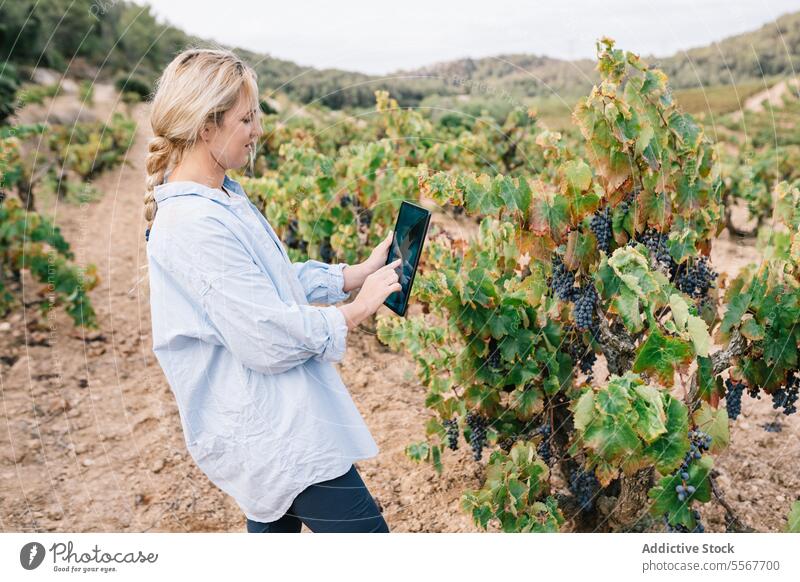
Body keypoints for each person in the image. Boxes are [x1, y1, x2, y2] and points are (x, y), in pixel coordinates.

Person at [143, 48, 400, 533]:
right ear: (206, 126)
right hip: (276, 429)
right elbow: (264, 334)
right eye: (246, 118)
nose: (257, 130)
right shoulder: (193, 223)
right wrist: (355, 310)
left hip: (273, 419)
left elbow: (267, 281)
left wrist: (355, 274)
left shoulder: (221, 198)